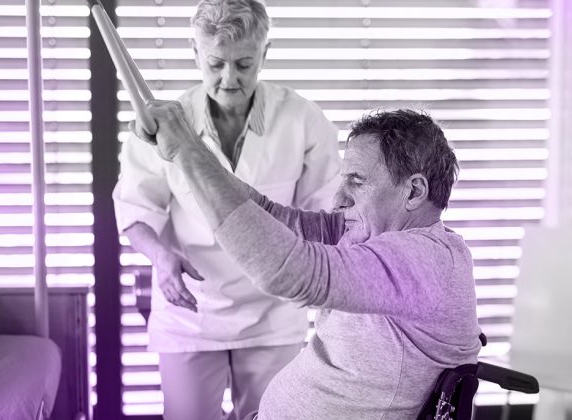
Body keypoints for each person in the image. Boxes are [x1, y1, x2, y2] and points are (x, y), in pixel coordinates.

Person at [132, 104, 483, 419]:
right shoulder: (365, 234)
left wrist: (188, 153)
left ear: (414, 191)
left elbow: (289, 271)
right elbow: (268, 215)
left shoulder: (428, 258)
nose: (338, 199)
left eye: (356, 183)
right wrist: (187, 153)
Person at [111, 0, 341, 419]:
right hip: (191, 307)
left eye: (244, 64)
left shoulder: (304, 120)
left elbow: (324, 220)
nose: (230, 79)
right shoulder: (163, 123)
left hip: (275, 309)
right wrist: (161, 258)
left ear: (265, 54)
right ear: (195, 53)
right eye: (216, 63)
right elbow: (135, 208)